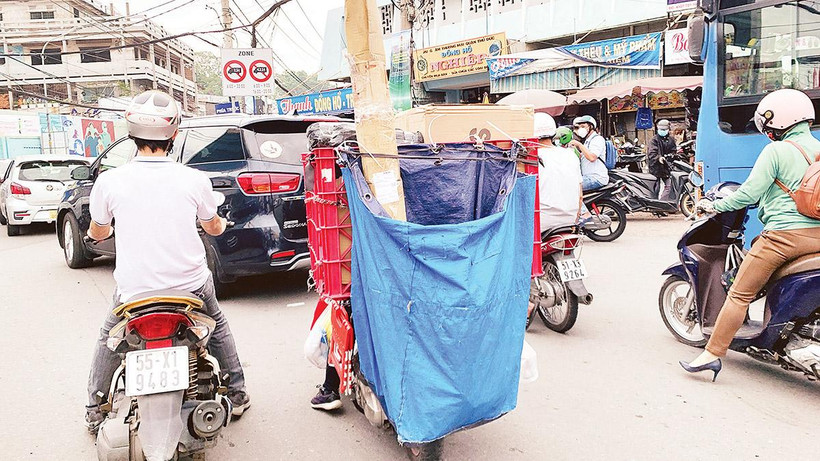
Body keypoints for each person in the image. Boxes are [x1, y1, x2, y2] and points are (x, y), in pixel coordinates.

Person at [84, 90, 250, 432]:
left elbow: (98, 232)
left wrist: (97, 230)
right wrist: (219, 224)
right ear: (174, 134)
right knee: (216, 325)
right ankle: (237, 392)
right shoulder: (193, 179)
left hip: (135, 291)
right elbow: (213, 226)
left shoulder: (109, 181)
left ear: (131, 131)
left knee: (108, 339)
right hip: (190, 287)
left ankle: (94, 410)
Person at [681, 88, 820, 380]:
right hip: (816, 236)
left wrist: (714, 206)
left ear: (779, 120)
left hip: (785, 238)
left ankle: (712, 354)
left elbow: (748, 193)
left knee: (739, 293)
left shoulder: (776, 151)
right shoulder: (817, 148)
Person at [533, 113, 583, 230]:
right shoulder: (571, 155)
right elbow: (580, 196)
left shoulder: (531, 158)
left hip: (541, 222)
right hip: (569, 221)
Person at [572, 115, 609, 191]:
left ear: (591, 127)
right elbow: (582, 157)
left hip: (596, 177)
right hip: (587, 177)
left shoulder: (597, 139)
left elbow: (592, 157)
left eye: (583, 126)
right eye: (579, 127)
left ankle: (580, 203)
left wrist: (579, 144)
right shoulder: (587, 141)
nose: (580, 129)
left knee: (571, 188)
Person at [647, 119, 677, 201]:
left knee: (669, 186)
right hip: (655, 167)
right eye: (661, 130)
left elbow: (674, 150)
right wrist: (659, 157)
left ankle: (663, 204)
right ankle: (655, 206)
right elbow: (652, 153)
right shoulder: (654, 140)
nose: (662, 131)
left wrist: (672, 156)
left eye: (664, 130)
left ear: (668, 130)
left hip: (667, 166)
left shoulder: (671, 139)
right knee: (656, 188)